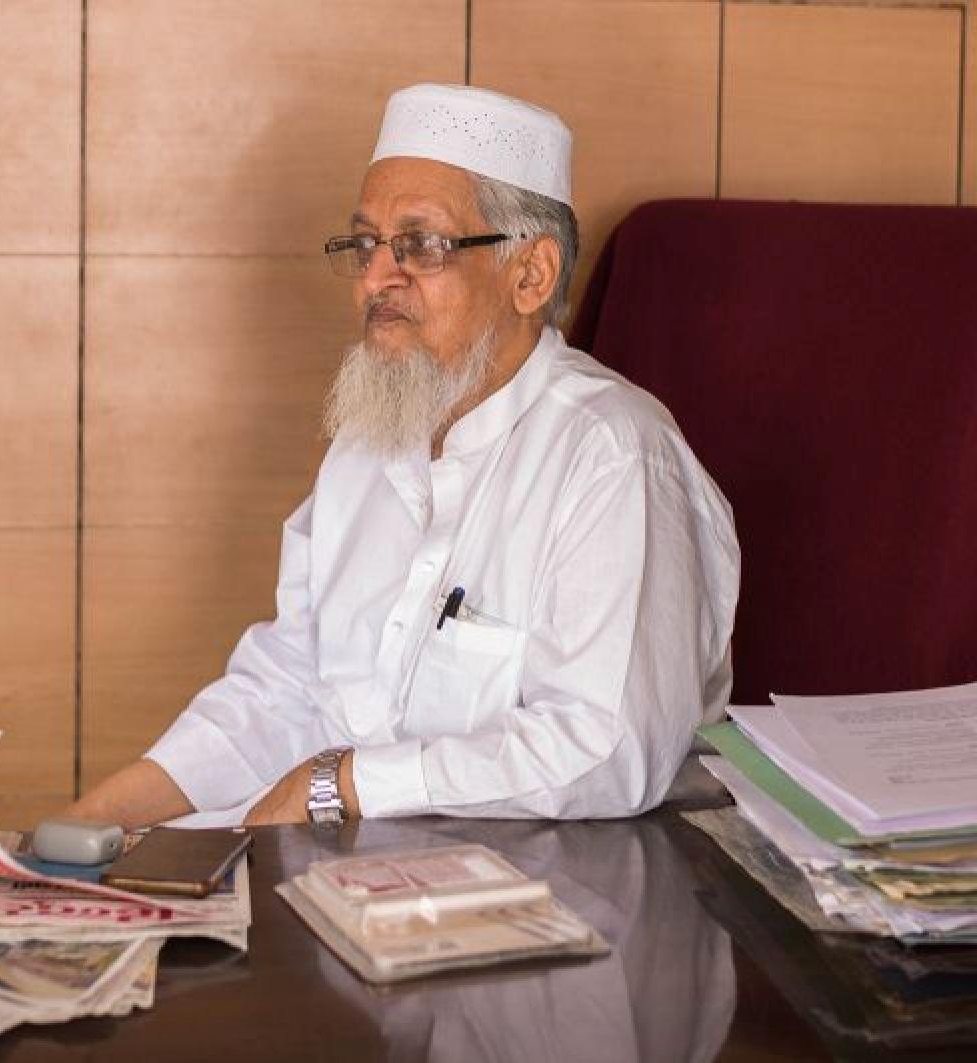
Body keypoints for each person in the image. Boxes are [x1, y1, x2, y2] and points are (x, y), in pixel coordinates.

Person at [68, 84, 739, 830]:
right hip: (351, 871)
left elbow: (608, 750)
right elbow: (290, 684)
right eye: (365, 245)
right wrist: (89, 825)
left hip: (563, 895)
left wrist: (344, 783)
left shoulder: (614, 456)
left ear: (530, 276)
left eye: (421, 246)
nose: (375, 278)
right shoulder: (368, 437)